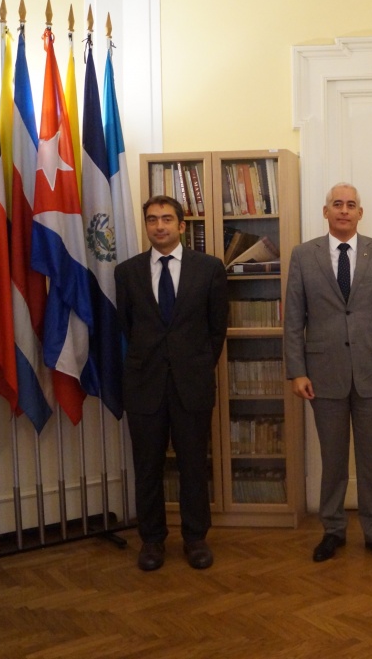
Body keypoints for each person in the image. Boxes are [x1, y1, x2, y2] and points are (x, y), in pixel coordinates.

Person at [284, 182, 372, 564]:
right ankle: (333, 529)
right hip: (322, 374)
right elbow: (293, 319)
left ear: (360, 212)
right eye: (336, 204)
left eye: (350, 205)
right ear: (326, 212)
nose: (343, 210)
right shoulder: (304, 256)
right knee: (333, 460)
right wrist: (297, 371)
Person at [115, 195, 228, 571]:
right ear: (145, 226)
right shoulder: (127, 272)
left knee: (193, 465)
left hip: (191, 384)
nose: (159, 226)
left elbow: (216, 329)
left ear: (182, 225)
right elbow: (127, 327)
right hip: (143, 385)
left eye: (166, 219)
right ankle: (152, 541)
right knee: (147, 466)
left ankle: (195, 539)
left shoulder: (209, 268)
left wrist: (193, 365)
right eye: (151, 220)